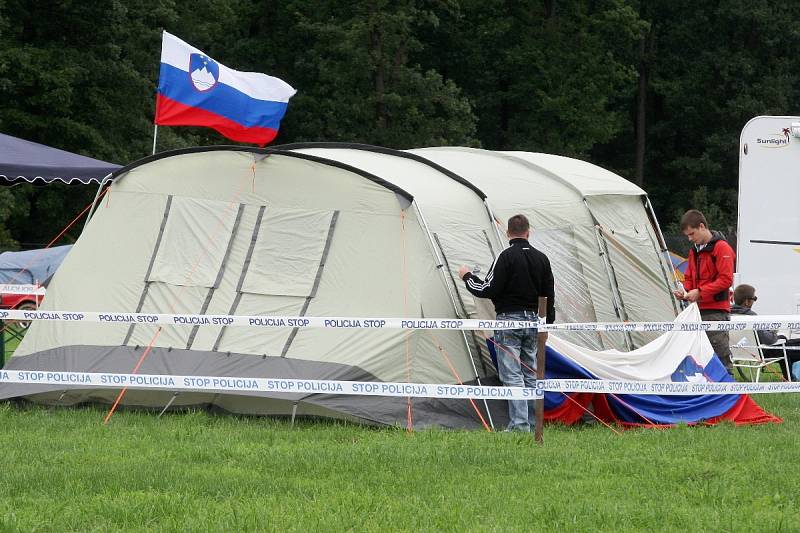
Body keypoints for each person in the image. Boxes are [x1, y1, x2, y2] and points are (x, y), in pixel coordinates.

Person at [457, 214, 555, 432]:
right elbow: (549, 294)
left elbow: (487, 289)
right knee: (530, 372)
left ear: (508, 233)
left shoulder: (506, 256)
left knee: (512, 374)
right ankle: (530, 423)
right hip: (534, 322)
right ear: (528, 232)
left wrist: (467, 277)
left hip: (509, 321)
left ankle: (519, 426)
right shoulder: (542, 258)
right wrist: (546, 323)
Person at [672, 209, 735, 373]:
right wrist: (685, 292)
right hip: (696, 310)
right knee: (697, 357)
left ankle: (728, 393)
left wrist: (699, 291)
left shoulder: (722, 248)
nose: (690, 238)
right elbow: (689, 276)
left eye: (692, 234)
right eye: (687, 236)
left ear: (702, 226)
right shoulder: (694, 251)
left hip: (716, 311)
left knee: (720, 356)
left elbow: (726, 279)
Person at [731, 283, 800, 380]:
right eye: (754, 298)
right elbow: (768, 340)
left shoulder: (730, 315)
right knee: (787, 346)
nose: (754, 301)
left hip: (743, 350)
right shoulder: (750, 317)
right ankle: (790, 379)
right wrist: (773, 332)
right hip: (761, 351)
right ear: (746, 301)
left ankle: (790, 377)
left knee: (789, 343)